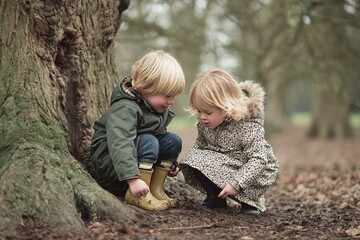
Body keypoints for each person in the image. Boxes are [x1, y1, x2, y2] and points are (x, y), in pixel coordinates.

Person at [90, 50, 185, 211]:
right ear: (147, 87)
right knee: (149, 141)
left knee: (173, 141)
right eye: (167, 95)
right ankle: (138, 194)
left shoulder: (156, 108)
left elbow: (160, 136)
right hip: (110, 160)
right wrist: (133, 179)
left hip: (136, 154)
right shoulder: (125, 108)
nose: (171, 102)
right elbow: (120, 142)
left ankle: (155, 190)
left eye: (174, 96)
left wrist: (171, 163)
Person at [179, 69, 279, 216]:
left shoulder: (247, 125)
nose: (202, 117)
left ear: (226, 107)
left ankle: (250, 202)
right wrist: (180, 166)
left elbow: (259, 159)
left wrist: (236, 183)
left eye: (208, 112)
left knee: (251, 174)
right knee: (192, 158)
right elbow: (200, 147)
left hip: (254, 168)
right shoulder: (205, 123)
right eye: (199, 111)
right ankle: (215, 196)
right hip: (225, 162)